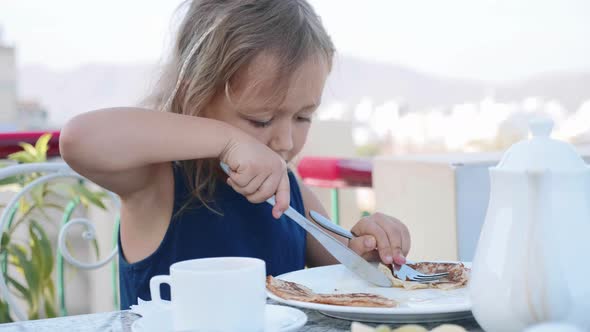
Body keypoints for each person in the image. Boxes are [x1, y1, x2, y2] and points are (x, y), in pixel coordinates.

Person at [60, 0, 411, 310]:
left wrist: (369, 246)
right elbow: (79, 138)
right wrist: (227, 140)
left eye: (303, 117)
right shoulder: (157, 182)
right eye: (260, 120)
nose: (285, 141)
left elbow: (347, 270)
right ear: (196, 95)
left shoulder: (289, 193)